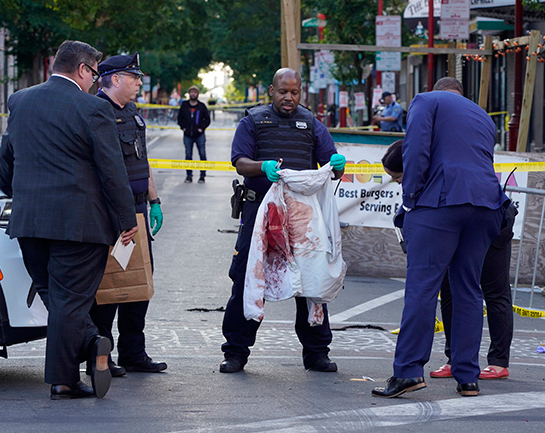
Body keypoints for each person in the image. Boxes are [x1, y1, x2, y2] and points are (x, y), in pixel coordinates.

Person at [0, 40, 138, 400]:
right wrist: (127, 218)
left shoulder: (20, 100)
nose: (95, 81)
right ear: (83, 69)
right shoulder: (93, 108)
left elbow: (6, 160)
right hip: (80, 224)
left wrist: (18, 194)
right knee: (71, 302)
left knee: (57, 298)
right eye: (95, 73)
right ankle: (65, 377)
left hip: (30, 222)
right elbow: (112, 170)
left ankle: (89, 345)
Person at [371, 77, 508, 399]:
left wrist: (410, 199)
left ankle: (408, 371)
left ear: (436, 89)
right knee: (468, 289)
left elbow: (415, 151)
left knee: (422, 288)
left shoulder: (425, 101)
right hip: (487, 204)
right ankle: (468, 376)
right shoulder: (483, 115)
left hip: (442, 202)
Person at [219, 68, 347, 374]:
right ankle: (235, 352)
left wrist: (338, 166)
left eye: (294, 92)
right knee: (248, 278)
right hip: (259, 212)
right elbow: (240, 162)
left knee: (311, 280)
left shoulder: (311, 123)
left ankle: (317, 353)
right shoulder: (253, 121)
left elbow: (332, 165)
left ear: (300, 92)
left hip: (301, 216)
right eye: (283, 92)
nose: (289, 97)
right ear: (271, 91)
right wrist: (261, 167)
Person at [380, 139, 517, 382]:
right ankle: (457, 360)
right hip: (460, 222)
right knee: (451, 291)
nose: (396, 181)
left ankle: (498, 361)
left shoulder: (446, 166)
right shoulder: (432, 174)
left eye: (397, 176)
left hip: (488, 222)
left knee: (492, 291)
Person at [88, 53, 168, 376]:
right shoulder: (96, 111)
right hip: (109, 210)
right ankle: (101, 356)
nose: (138, 83)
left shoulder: (133, 112)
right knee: (109, 284)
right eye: (134, 77)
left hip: (137, 207)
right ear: (116, 79)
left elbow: (141, 161)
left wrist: (154, 199)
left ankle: (133, 352)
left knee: (139, 281)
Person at [177, 85, 211, 183]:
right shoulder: (184, 105)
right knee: (188, 155)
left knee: (202, 155)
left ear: (197, 94)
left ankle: (202, 176)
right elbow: (179, 118)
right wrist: (183, 128)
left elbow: (207, 119)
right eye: (191, 92)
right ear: (189, 93)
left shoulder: (201, 106)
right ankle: (189, 176)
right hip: (188, 135)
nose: (193, 94)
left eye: (195, 92)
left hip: (199, 135)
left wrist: (201, 128)